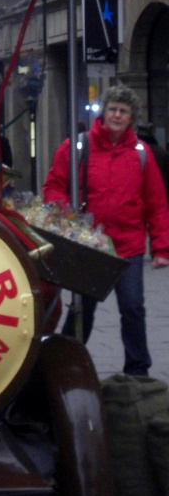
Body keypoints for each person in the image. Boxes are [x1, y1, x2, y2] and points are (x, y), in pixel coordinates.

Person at [43, 84, 169, 376]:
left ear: (131, 117)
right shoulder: (77, 146)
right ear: (103, 112)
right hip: (89, 247)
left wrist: (161, 248)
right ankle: (67, 365)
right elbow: (53, 186)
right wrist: (67, 214)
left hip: (129, 247)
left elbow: (156, 203)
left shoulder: (141, 154)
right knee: (81, 311)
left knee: (133, 308)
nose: (116, 115)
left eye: (123, 111)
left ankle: (138, 371)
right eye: (112, 108)